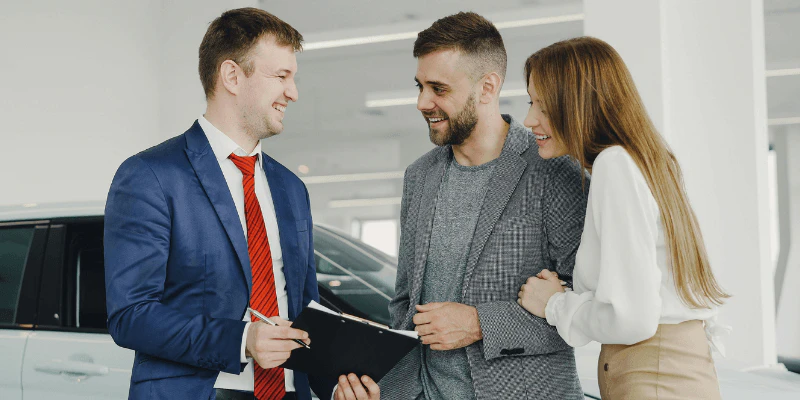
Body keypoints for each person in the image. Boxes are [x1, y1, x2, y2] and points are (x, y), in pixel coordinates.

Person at [104, 8, 377, 400]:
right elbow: (130, 315)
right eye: (281, 76)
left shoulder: (290, 188)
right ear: (232, 76)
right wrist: (243, 339)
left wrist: (334, 386)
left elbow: (306, 311)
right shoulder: (151, 175)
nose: (293, 92)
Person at [379, 12, 587, 400]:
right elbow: (404, 302)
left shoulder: (554, 172)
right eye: (420, 86)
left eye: (438, 88)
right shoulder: (419, 176)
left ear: (487, 87)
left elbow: (585, 303)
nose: (423, 102)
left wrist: (480, 324)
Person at [517, 36, 730, 400]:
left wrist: (553, 303)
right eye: (531, 102)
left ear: (579, 104)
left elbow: (631, 318)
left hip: (653, 375)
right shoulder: (644, 160)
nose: (529, 119)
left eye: (544, 105)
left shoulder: (615, 165)